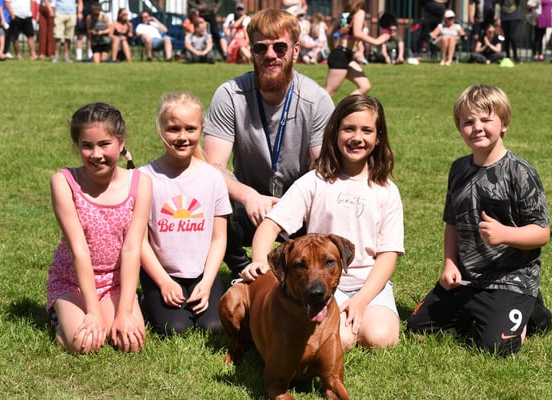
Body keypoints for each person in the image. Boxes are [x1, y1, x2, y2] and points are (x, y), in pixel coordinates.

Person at [241, 94, 404, 351]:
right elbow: (270, 224)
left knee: (380, 338)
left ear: (379, 137)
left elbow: (388, 255)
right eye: (348, 128)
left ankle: (365, 313)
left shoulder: (386, 190)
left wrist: (361, 301)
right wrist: (259, 259)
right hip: (320, 285)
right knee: (344, 340)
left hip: (369, 285)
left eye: (366, 130)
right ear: (334, 131)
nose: (357, 137)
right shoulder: (315, 181)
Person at [407, 84, 552, 356]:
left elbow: (542, 232)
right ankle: (482, 312)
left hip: (510, 278)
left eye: (486, 120)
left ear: (504, 123)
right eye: (468, 122)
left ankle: (532, 309)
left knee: (495, 347)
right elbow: (451, 222)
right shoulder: (458, 169)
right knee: (418, 327)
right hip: (467, 278)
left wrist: (505, 234)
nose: (477, 127)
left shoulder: (520, 172)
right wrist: (450, 263)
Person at [203, 8, 335, 278]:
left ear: (296, 50)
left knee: (332, 204)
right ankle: (246, 272)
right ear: (251, 50)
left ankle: (307, 271)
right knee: (206, 197)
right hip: (247, 202)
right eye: (261, 48)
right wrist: (248, 196)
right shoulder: (230, 95)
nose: (270, 55)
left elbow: (324, 167)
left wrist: (292, 204)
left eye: (279, 47)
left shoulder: (317, 100)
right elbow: (211, 165)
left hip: (301, 202)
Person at [46, 102, 151, 355]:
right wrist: (92, 313)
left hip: (114, 281)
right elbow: (79, 250)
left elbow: (131, 249)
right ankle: (60, 319)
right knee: (85, 343)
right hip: (73, 281)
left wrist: (125, 310)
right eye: (87, 146)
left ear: (121, 142)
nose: (96, 154)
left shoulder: (141, 183)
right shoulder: (64, 182)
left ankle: (118, 309)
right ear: (78, 146)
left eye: (104, 144)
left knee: (131, 343)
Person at [139, 92, 231, 336]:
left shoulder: (213, 178)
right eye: (173, 129)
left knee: (215, 326)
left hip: (202, 272)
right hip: (161, 272)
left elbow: (218, 238)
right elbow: (139, 241)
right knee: (175, 328)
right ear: (160, 129)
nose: (182, 137)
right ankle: (144, 299)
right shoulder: (144, 178)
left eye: (190, 129)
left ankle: (200, 292)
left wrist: (207, 282)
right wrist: (163, 282)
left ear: (202, 129)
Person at [325, 0, 390, 96]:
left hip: (345, 56)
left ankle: (346, 109)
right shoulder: (359, 13)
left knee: (365, 86)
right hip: (341, 56)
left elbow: (329, 33)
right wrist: (376, 41)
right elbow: (357, 33)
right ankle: (309, 110)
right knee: (328, 93)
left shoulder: (345, 14)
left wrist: (332, 50)